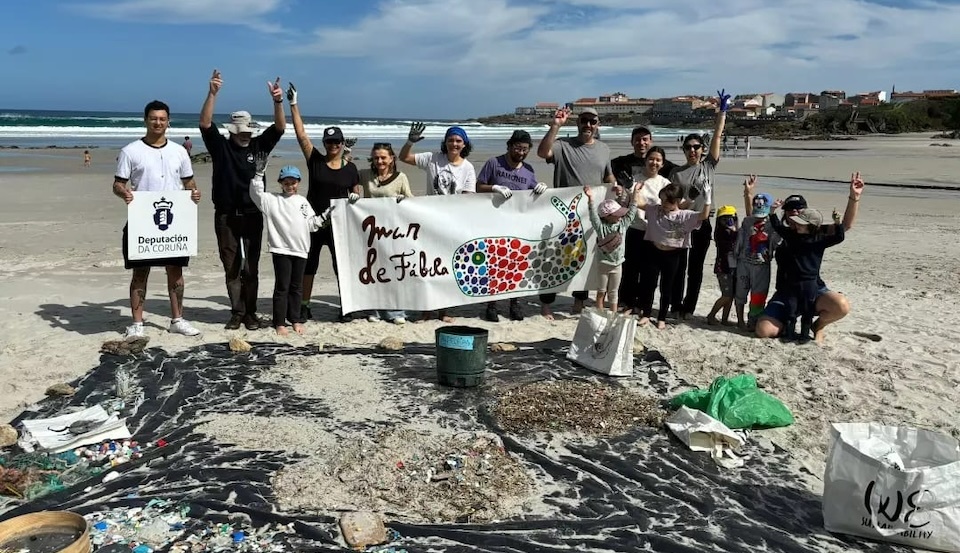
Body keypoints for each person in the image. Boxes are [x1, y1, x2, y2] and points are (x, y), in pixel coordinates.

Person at [200, 69, 286, 330]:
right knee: (231, 266)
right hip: (225, 216)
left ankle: (250, 313)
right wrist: (212, 93)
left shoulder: (260, 145)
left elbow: (280, 127)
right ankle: (237, 312)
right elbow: (205, 124)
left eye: (249, 130)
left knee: (252, 268)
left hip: (252, 216)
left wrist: (278, 101)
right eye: (241, 131)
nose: (246, 134)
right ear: (233, 130)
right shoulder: (220, 146)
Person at [112, 100, 202, 339]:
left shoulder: (179, 152)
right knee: (140, 273)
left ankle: (177, 319)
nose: (158, 122)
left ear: (168, 121)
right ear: (145, 120)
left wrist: (194, 192)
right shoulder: (130, 151)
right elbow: (117, 184)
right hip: (142, 221)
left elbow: (188, 182)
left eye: (162, 119)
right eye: (153, 118)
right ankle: (137, 323)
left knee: (176, 272)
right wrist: (124, 193)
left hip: (174, 222)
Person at [754, 172, 864, 344]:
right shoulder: (777, 232)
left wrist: (854, 197)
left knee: (841, 306)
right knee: (763, 330)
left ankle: (817, 326)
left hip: (812, 288)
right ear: (785, 213)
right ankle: (787, 325)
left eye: (799, 209)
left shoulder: (815, 232)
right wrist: (749, 195)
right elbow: (753, 221)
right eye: (790, 210)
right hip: (786, 292)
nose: (795, 213)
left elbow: (845, 227)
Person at [286, 83, 362, 323]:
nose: (333, 146)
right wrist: (293, 104)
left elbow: (356, 186)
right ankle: (305, 305)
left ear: (342, 144)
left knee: (342, 268)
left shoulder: (350, 168)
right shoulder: (315, 161)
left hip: (339, 225)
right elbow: (301, 134)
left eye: (337, 142)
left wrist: (357, 194)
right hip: (313, 223)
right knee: (309, 265)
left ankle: (347, 307)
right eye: (329, 142)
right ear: (325, 144)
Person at [535, 106, 616, 319]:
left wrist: (615, 186)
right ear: (578, 123)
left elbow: (608, 177)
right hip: (562, 215)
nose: (588, 125)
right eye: (584, 121)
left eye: (593, 121)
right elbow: (543, 152)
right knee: (553, 259)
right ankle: (546, 304)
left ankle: (579, 301)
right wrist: (555, 126)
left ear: (598, 125)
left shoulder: (604, 149)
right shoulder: (562, 145)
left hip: (591, 215)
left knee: (586, 259)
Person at [400, 122, 477, 323]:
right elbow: (404, 158)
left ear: (465, 144)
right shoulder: (432, 158)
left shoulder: (468, 168)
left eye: (458, 140)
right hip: (428, 222)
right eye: (451, 140)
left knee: (449, 268)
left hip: (452, 224)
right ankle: (427, 310)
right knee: (427, 267)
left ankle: (445, 310)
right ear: (445, 142)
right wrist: (410, 142)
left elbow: (468, 199)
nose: (454, 143)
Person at [249, 156, 330, 336]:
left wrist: (326, 216)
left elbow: (312, 225)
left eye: (293, 182)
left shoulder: (303, 201)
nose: (290, 186)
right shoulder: (272, 200)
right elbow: (256, 194)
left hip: (301, 250)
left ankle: (295, 319)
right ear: (280, 183)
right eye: (286, 182)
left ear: (298, 183)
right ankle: (279, 322)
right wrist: (259, 173)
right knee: (282, 287)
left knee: (296, 287)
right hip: (281, 250)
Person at [668, 88, 730, 320]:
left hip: (703, 224)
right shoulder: (676, 173)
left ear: (702, 150)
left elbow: (717, 136)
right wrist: (690, 198)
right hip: (682, 224)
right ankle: (675, 304)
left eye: (696, 147)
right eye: (688, 147)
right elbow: (674, 207)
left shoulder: (709, 166)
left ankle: (688, 307)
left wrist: (722, 113)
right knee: (678, 268)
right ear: (683, 150)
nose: (692, 150)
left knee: (695, 269)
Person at [475, 130, 548, 322]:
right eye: (517, 147)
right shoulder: (494, 163)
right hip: (494, 222)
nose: (521, 152)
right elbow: (478, 187)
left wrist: (542, 190)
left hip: (518, 225)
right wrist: (494, 187)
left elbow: (534, 195)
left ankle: (514, 304)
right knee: (494, 264)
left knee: (516, 264)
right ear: (509, 146)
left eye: (525, 149)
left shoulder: (529, 170)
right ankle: (491, 305)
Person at [635, 182, 712, 329]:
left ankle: (662, 317)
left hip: (673, 255)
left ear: (677, 201)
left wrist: (707, 200)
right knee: (649, 284)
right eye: (662, 199)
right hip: (654, 251)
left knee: (667, 287)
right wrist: (636, 191)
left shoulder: (684, 215)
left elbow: (704, 215)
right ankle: (646, 314)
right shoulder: (655, 210)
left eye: (667, 201)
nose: (663, 203)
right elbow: (639, 203)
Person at [767, 205, 846, 343]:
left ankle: (805, 333)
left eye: (801, 224)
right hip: (792, 282)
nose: (797, 225)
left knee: (807, 309)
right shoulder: (792, 236)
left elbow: (839, 237)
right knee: (791, 308)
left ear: (812, 226)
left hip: (810, 282)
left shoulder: (819, 240)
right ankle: (789, 332)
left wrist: (838, 222)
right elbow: (778, 227)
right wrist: (772, 212)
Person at [611, 143, 674, 315]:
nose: (654, 162)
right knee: (630, 269)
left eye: (658, 160)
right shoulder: (634, 178)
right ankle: (627, 302)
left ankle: (643, 304)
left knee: (650, 273)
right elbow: (624, 201)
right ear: (645, 160)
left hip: (655, 232)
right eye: (651, 159)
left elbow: (669, 207)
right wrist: (621, 190)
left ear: (662, 164)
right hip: (634, 229)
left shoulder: (665, 183)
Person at [361, 142, 414, 325]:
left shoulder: (401, 177)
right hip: (371, 232)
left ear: (391, 159)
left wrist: (404, 200)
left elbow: (412, 200)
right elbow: (346, 173)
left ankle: (397, 312)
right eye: (376, 158)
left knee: (395, 270)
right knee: (374, 270)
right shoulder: (365, 175)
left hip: (394, 232)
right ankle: (374, 310)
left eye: (383, 157)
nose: (380, 161)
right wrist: (347, 153)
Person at [583, 185, 640, 314]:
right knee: (601, 291)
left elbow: (632, 211)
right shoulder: (600, 227)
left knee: (614, 293)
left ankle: (613, 315)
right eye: (617, 214)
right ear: (607, 216)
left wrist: (635, 193)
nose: (620, 216)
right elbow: (593, 216)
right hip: (603, 265)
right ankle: (600, 313)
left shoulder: (622, 225)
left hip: (618, 264)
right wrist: (590, 199)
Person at [734, 178, 777, 330]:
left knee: (758, 296)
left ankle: (753, 321)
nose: (759, 217)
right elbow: (749, 211)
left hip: (762, 266)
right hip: (744, 263)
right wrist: (748, 192)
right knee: (740, 293)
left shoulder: (773, 224)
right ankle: (740, 320)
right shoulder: (747, 221)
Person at [706, 205, 738, 326]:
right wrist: (733, 232)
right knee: (726, 295)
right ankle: (711, 315)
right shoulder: (720, 233)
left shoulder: (734, 232)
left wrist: (734, 231)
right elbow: (727, 247)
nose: (728, 221)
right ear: (719, 220)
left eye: (731, 218)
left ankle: (724, 319)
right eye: (724, 219)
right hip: (723, 268)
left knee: (731, 296)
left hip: (733, 268)